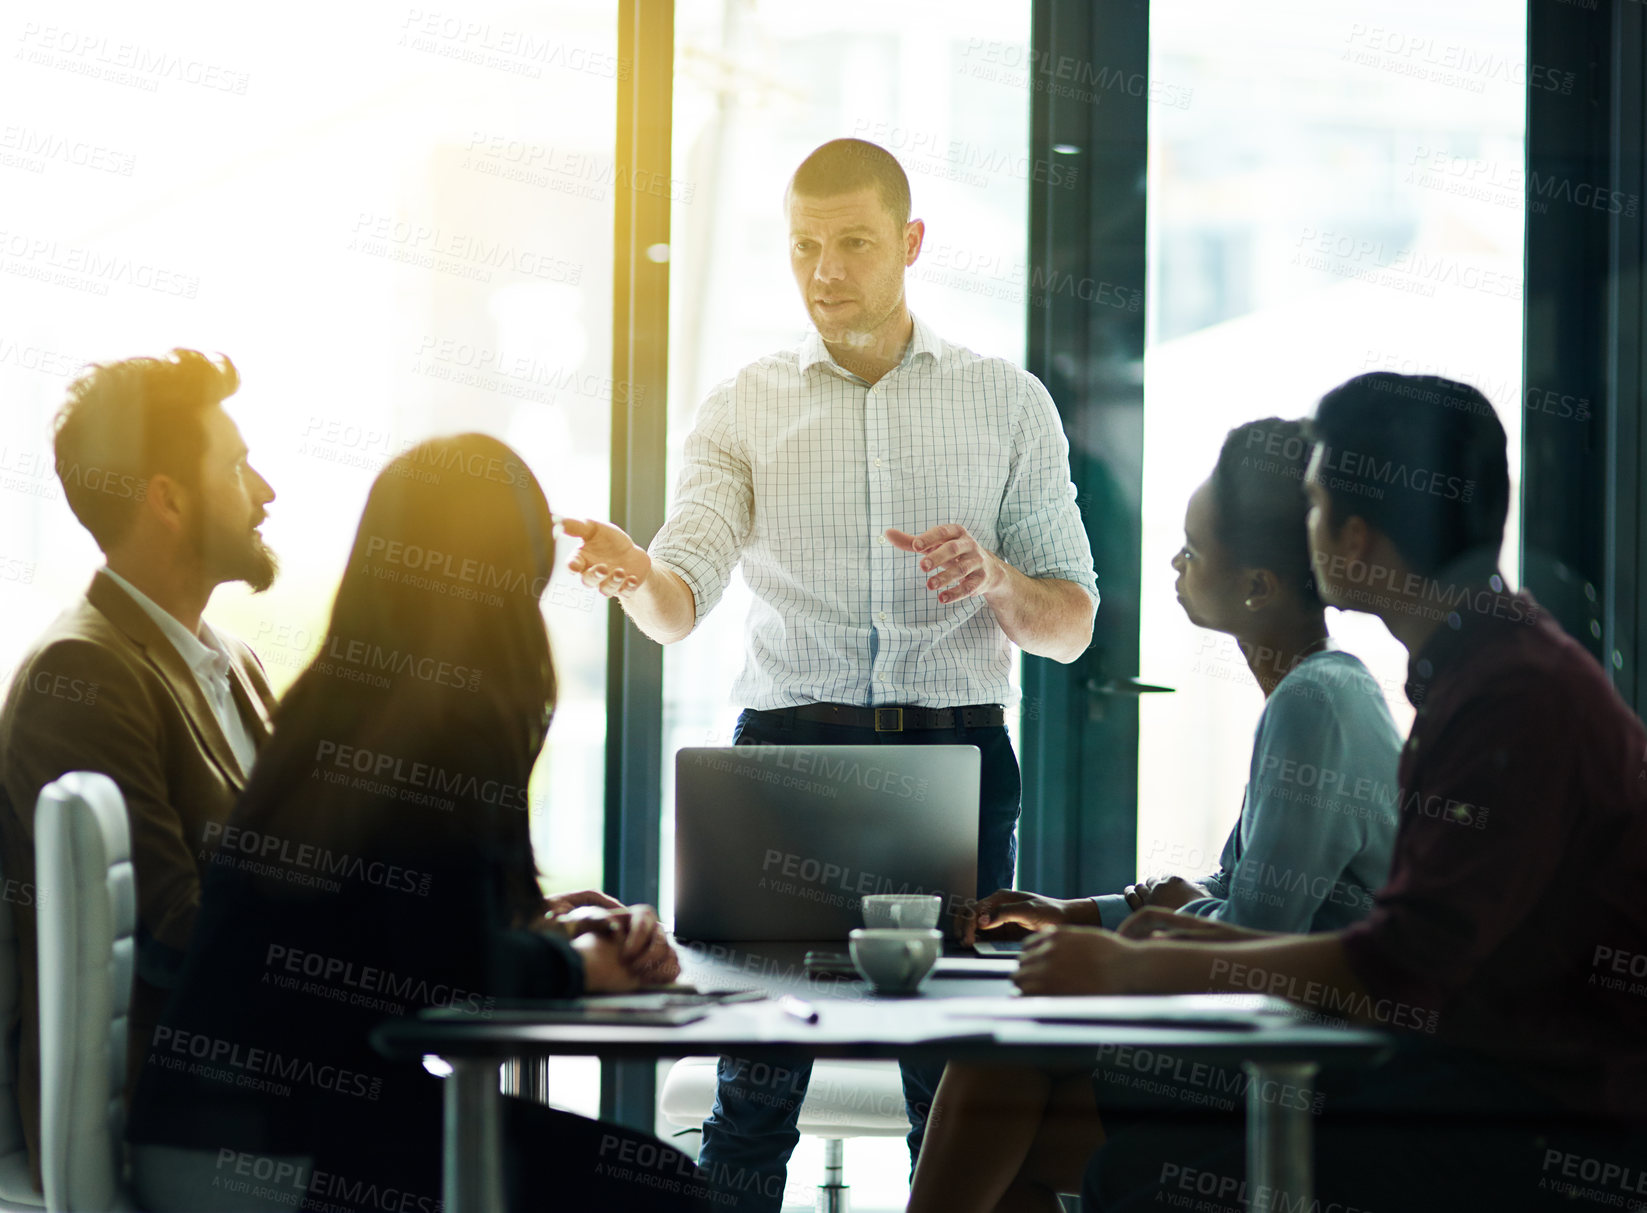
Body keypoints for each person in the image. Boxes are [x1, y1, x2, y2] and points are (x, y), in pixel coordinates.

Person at [561, 136, 1099, 1204]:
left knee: (947, 1087)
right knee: (754, 1092)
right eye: (805, 246)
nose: (826, 271)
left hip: (954, 760)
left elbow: (1073, 623)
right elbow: (681, 601)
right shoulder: (743, 407)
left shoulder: (1008, 403)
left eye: (854, 242)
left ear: (910, 243)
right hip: (784, 771)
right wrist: (635, 578)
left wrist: (995, 578)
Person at [1014, 374, 1647, 1211]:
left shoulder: (1506, 695)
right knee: (1094, 1134)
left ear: (1354, 536)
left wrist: (1145, 961)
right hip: (1484, 1080)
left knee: (1132, 1170)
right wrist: (1166, 942)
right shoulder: (1482, 668)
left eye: (1311, 507)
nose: (1299, 531)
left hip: (1546, 1118)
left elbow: (1397, 964)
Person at [126, 435, 719, 1213]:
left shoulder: (352, 700)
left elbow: (410, 931)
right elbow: (452, 970)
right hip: (268, 1149)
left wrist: (560, 933)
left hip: (216, 1130)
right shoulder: (445, 720)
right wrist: (583, 967)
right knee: (658, 1188)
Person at [908, 417, 1403, 1212]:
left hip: (1310, 1061)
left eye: (1194, 550)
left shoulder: (1316, 702)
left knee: (997, 1081)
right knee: (1001, 1103)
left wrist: (1173, 902)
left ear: (1257, 587)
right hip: (1275, 1035)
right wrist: (1073, 913)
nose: (1175, 564)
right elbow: (1232, 889)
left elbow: (1249, 930)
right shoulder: (1315, 689)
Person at [0, 349, 280, 1187]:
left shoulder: (236, 664)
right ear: (167, 497)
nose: (266, 491)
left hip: (267, 1093)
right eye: (235, 465)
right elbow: (177, 937)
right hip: (175, 1117)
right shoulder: (80, 675)